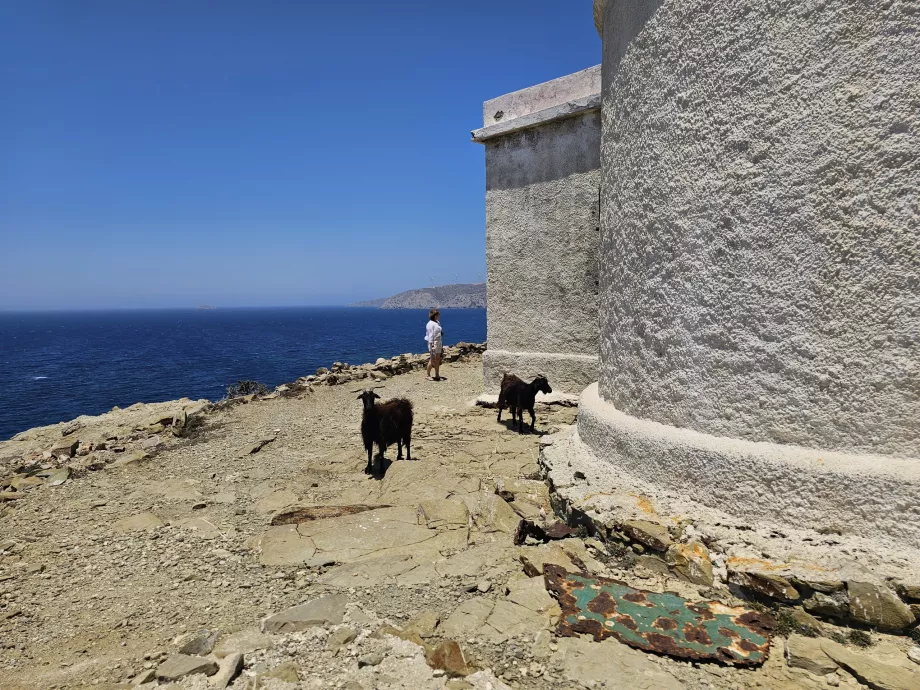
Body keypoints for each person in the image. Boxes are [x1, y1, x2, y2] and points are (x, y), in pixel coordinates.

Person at [425, 308, 444, 381]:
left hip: (438, 342)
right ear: (435, 315)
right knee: (432, 359)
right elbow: (430, 335)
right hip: (433, 343)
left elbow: (438, 331)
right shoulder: (430, 324)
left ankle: (437, 374)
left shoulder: (437, 322)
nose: (439, 315)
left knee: (437, 359)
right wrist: (432, 345)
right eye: (438, 314)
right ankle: (428, 375)